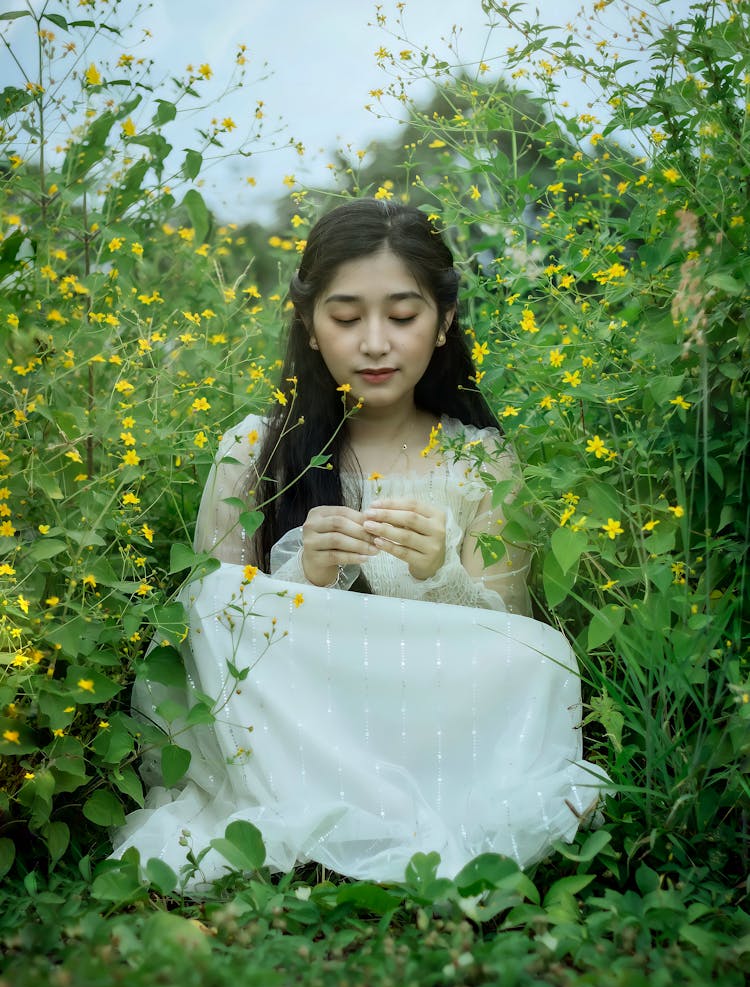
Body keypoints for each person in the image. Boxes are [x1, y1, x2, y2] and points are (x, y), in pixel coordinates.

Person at [112, 199, 605, 885]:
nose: (375, 342)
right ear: (310, 326)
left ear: (445, 323)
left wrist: (442, 574)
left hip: (432, 723)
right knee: (220, 595)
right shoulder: (255, 450)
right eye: (346, 317)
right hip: (296, 731)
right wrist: (302, 577)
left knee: (544, 657)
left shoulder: (482, 460)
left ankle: (378, 808)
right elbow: (206, 631)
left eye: (403, 316)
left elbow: (509, 641)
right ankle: (340, 808)